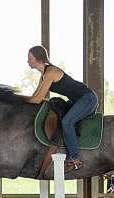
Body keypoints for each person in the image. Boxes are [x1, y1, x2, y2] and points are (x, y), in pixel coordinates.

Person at [25, 45, 98, 173]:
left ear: (39, 59)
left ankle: (75, 159)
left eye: (30, 58)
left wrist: (17, 100)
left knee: (67, 122)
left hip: (87, 99)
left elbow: (38, 98)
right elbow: (35, 97)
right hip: (77, 100)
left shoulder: (50, 73)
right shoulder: (43, 75)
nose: (28, 61)